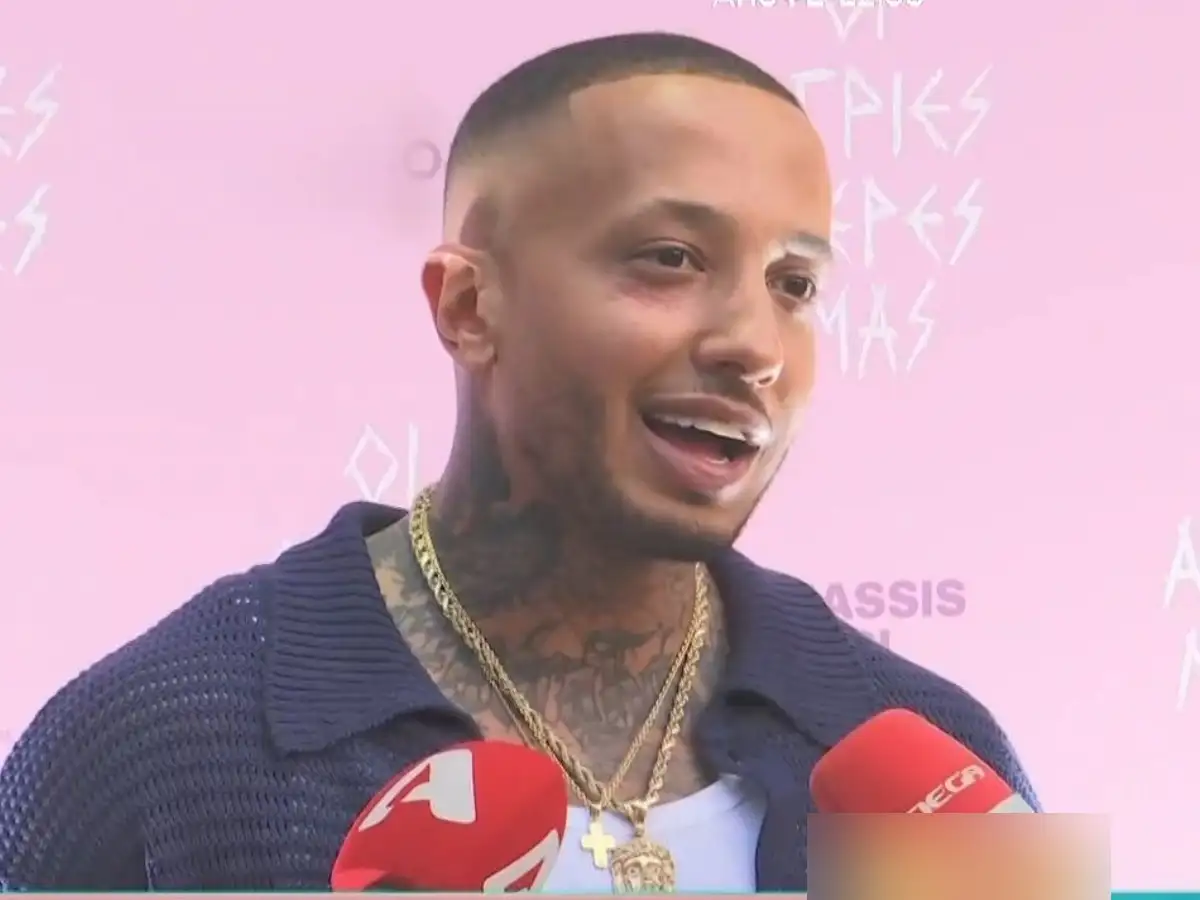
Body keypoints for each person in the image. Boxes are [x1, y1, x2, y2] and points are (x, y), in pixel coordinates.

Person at [0, 32, 1039, 891]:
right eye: (671, 260)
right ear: (468, 306)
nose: (756, 345)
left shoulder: (931, 756)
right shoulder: (167, 740)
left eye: (794, 285)